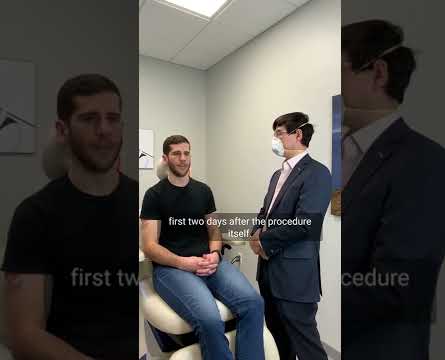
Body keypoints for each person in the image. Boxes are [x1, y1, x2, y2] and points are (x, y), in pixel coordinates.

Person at [341, 20, 445, 359]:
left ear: (377, 73)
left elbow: (397, 286)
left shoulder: (425, 162)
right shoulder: (342, 156)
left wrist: (310, 289)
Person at [1, 74, 138, 359]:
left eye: (113, 119)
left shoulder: (142, 202)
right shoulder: (35, 215)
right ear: (62, 130)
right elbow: (24, 335)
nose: (104, 130)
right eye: (89, 119)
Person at [140, 135, 265, 360]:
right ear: (165, 158)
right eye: (176, 154)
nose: (182, 158)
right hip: (173, 269)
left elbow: (214, 231)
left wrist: (216, 254)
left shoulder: (203, 191)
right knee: (209, 319)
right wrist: (184, 262)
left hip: (209, 262)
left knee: (254, 304)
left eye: (186, 153)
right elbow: (149, 246)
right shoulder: (154, 196)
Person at [249, 112, 332, 360]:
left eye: (278, 134)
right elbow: (265, 212)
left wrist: (264, 241)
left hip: (295, 276)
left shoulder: (317, 173)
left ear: (298, 134)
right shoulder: (277, 175)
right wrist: (255, 232)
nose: (274, 140)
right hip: (268, 272)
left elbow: (306, 223)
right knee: (278, 340)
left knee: (307, 345)